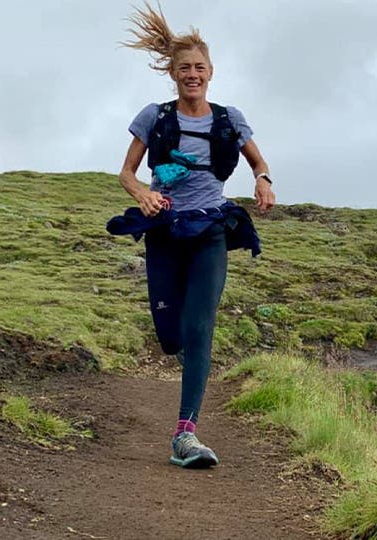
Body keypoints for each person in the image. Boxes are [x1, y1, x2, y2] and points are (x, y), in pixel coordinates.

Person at [107, 2, 275, 468]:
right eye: (185, 68)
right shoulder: (155, 116)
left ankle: (186, 433)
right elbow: (126, 172)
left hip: (210, 230)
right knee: (171, 338)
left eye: (200, 67)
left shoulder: (228, 118)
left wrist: (263, 179)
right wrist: (142, 192)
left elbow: (257, 160)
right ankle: (181, 358)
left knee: (200, 328)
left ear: (211, 72)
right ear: (173, 73)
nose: (193, 74)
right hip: (165, 231)